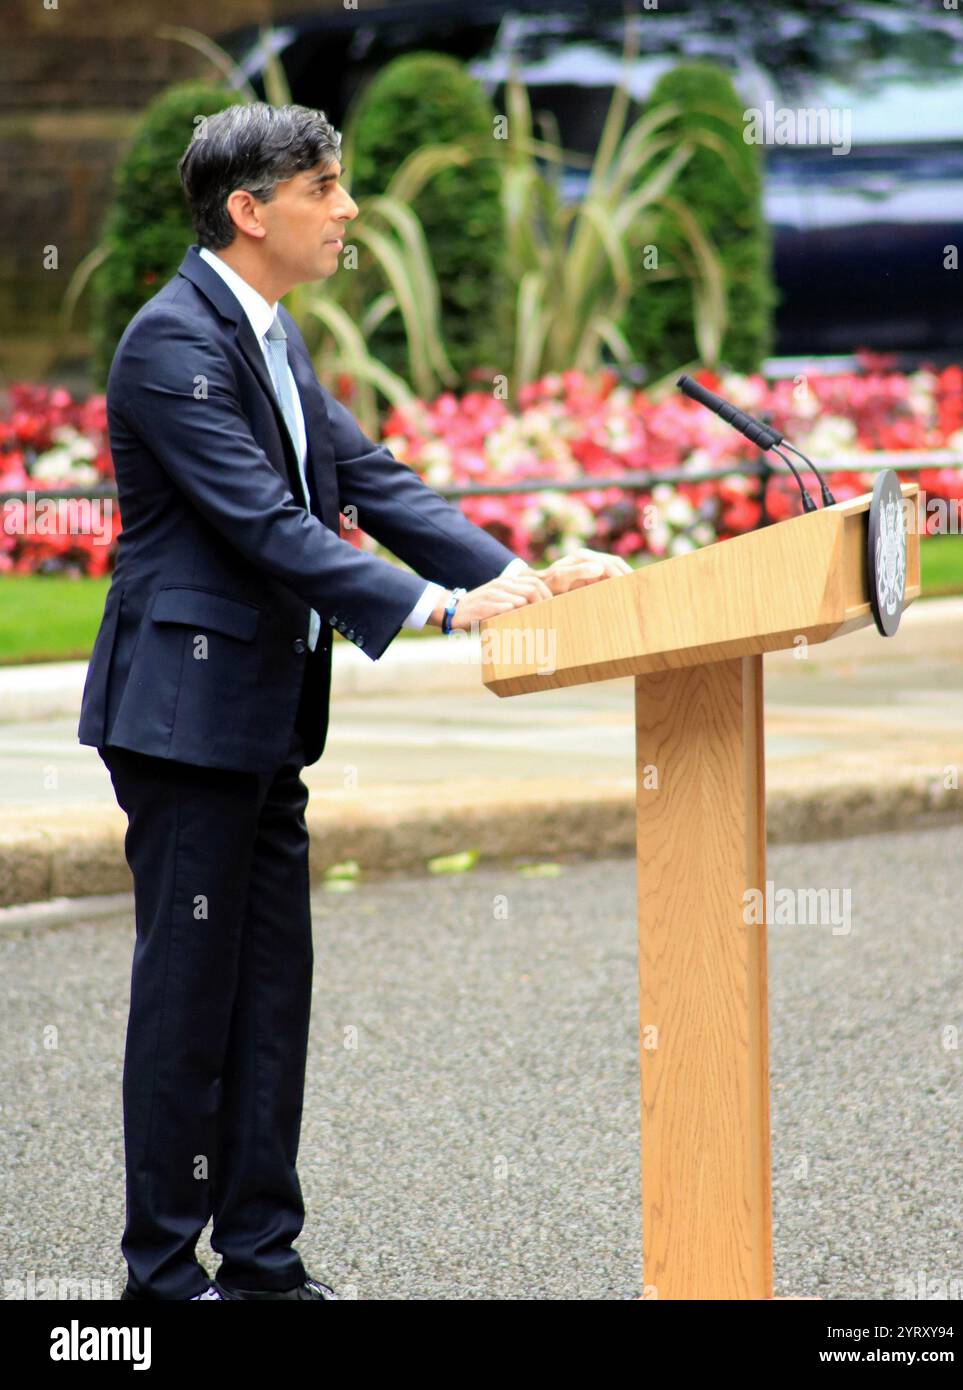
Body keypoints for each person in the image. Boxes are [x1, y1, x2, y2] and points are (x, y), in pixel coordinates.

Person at [77, 101, 629, 1300]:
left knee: (270, 996)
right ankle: (163, 1282)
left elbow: (373, 480)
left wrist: (511, 575)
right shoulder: (171, 344)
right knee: (187, 1007)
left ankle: (264, 1267)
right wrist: (432, 612)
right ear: (250, 209)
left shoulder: (271, 338)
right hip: (183, 721)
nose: (349, 209)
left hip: (265, 720)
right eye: (325, 187)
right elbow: (266, 527)